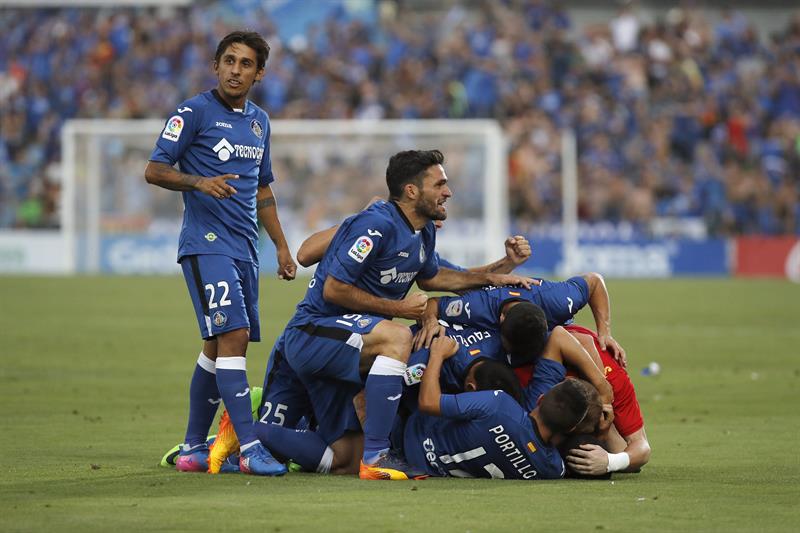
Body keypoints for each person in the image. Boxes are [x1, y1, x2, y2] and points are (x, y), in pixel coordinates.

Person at [277, 149, 535, 480]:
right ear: (412, 191)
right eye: (440, 184)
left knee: (342, 459)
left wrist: (500, 271)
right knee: (398, 337)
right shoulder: (376, 225)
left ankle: (244, 436)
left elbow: (438, 277)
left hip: (351, 344)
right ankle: (378, 455)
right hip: (313, 332)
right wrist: (400, 309)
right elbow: (333, 290)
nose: (449, 192)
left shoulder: (423, 231)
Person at [144, 30, 296, 476]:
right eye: (228, 60)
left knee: (215, 346)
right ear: (216, 65)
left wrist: (283, 247)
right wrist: (198, 181)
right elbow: (154, 169)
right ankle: (249, 448)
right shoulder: (193, 111)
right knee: (233, 338)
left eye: (245, 63)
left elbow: (262, 187)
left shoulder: (260, 122)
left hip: (245, 249)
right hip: (206, 245)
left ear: (259, 73)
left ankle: (192, 448)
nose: (235, 70)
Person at [404, 336, 600, 479]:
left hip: (406, 436)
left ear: (540, 399)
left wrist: (437, 354)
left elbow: (428, 402)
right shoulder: (551, 469)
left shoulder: (499, 404)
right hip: (427, 470)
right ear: (570, 429)